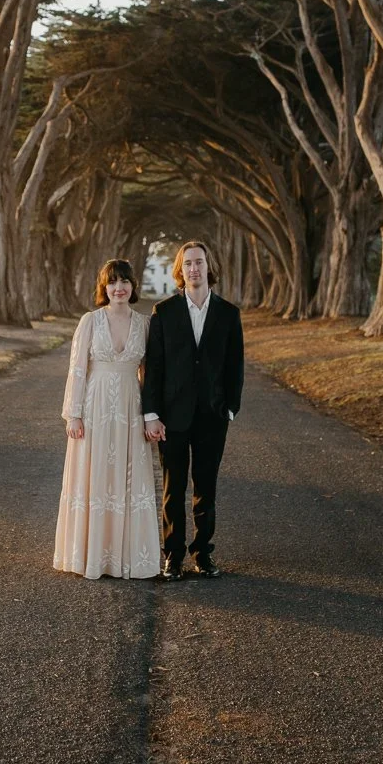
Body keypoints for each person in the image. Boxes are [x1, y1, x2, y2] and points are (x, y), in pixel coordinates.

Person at [142, 241, 244, 581]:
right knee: (173, 489)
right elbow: (153, 368)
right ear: (180, 270)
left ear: (208, 266)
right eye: (188, 264)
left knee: (206, 488)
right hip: (172, 417)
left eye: (199, 262)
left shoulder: (228, 314)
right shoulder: (165, 312)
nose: (194, 269)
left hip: (212, 417)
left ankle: (203, 553)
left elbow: (235, 365)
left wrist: (230, 408)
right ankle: (173, 556)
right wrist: (151, 413)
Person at [53, 259, 160, 579]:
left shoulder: (145, 324)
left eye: (125, 281)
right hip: (95, 408)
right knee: (95, 475)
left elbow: (149, 374)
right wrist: (74, 414)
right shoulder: (90, 321)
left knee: (126, 479)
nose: (119, 288)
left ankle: (124, 557)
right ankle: (90, 555)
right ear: (104, 287)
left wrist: (150, 416)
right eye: (112, 282)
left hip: (130, 408)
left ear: (133, 286)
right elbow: (77, 369)